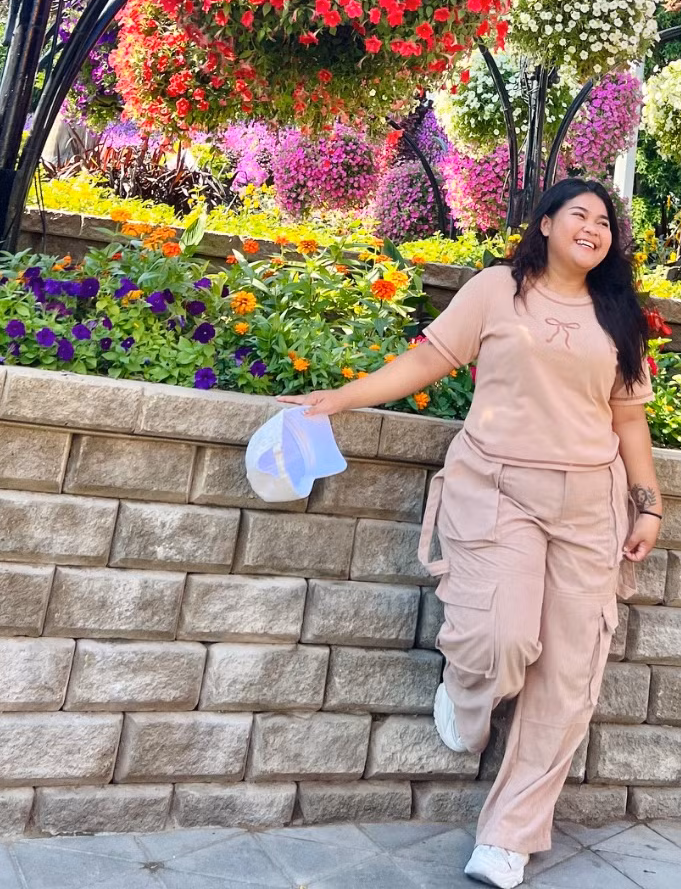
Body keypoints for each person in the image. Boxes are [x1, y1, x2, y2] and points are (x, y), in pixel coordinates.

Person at [280, 177, 661, 889]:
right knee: (501, 639)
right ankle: (466, 693)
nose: (592, 228)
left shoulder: (619, 315)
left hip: (591, 504)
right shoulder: (495, 290)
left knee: (570, 675)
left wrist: (649, 504)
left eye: (604, 221)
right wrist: (340, 399)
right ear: (545, 224)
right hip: (497, 488)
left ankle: (509, 837)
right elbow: (427, 361)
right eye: (578, 214)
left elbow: (629, 418)